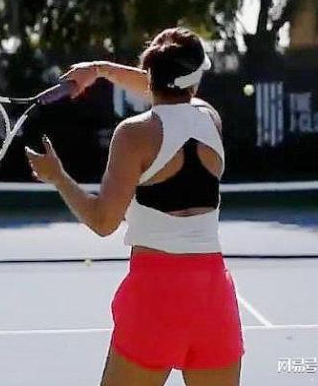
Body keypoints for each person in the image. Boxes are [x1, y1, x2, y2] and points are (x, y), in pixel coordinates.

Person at [25, 27, 245, 386]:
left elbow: (103, 222)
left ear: (151, 72)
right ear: (195, 77)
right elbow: (168, 88)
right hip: (213, 297)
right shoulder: (210, 118)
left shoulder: (133, 135)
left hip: (155, 296)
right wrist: (99, 70)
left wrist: (58, 177)